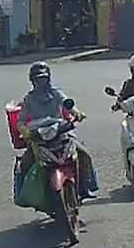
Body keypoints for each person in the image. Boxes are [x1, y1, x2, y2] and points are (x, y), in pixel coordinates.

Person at [17, 61, 98, 199]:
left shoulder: (56, 93)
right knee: (24, 164)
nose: (41, 82)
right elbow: (21, 120)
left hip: (60, 132)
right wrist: (24, 130)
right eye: (38, 79)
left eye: (43, 79)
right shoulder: (29, 99)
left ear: (48, 79)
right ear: (32, 81)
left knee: (83, 155)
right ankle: (22, 195)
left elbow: (68, 105)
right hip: (39, 137)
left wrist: (77, 113)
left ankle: (85, 187)